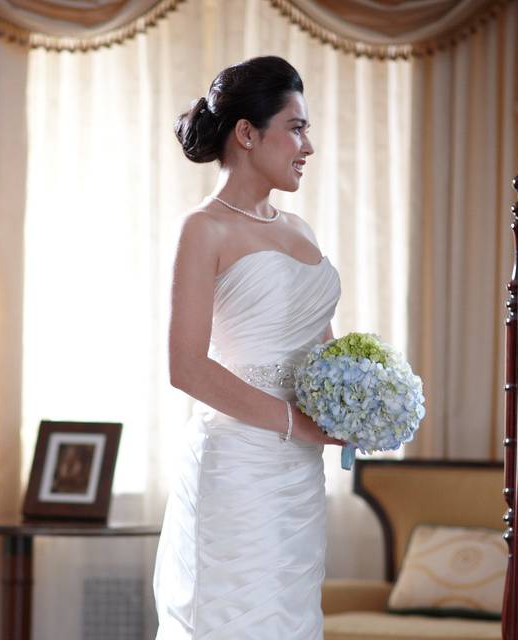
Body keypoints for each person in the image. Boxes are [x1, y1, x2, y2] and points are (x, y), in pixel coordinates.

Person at [152, 55, 346, 639]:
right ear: (246, 133)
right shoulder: (203, 229)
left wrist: (358, 401)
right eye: (296, 126)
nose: (307, 145)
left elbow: (323, 351)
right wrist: (297, 422)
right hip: (237, 467)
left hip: (300, 476)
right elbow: (186, 367)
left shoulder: (300, 230)